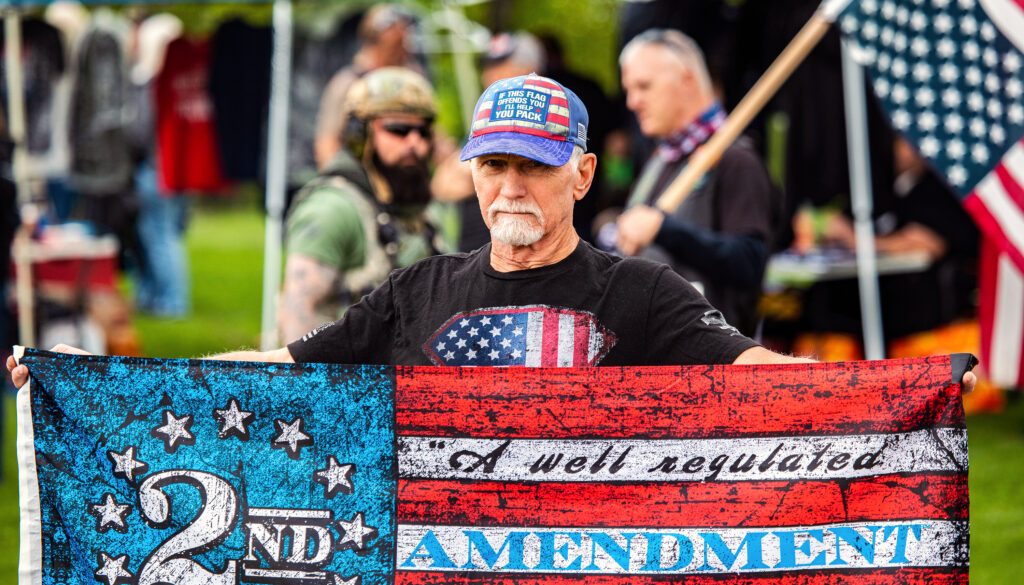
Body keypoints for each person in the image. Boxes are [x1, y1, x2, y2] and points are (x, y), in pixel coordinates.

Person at [6, 74, 979, 390]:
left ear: (582, 176)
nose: (511, 186)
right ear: (470, 175)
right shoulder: (418, 290)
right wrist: (84, 380)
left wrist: (901, 386)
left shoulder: (640, 294)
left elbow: (747, 373)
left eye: (535, 167)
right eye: (494, 166)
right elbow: (284, 362)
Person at [614, 29, 782, 336]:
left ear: (687, 80)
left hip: (713, 366)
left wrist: (665, 230)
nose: (632, 101)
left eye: (644, 86)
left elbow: (749, 262)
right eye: (629, 89)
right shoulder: (660, 160)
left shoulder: (736, 160)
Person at [277, 67, 443, 342]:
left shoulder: (423, 210)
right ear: (359, 135)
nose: (415, 143)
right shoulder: (332, 209)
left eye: (423, 131)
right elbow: (298, 312)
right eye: (398, 129)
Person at [431, 31, 547, 253]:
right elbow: (443, 185)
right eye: (487, 67)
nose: (488, 76)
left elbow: (455, 178)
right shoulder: (490, 119)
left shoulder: (540, 119)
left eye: (499, 67)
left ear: (530, 70)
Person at [314, 4, 422, 170]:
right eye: (396, 47)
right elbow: (327, 144)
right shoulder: (347, 84)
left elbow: (429, 131)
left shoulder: (409, 79)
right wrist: (338, 181)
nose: (404, 53)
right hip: (359, 176)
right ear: (375, 44)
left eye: (405, 45)